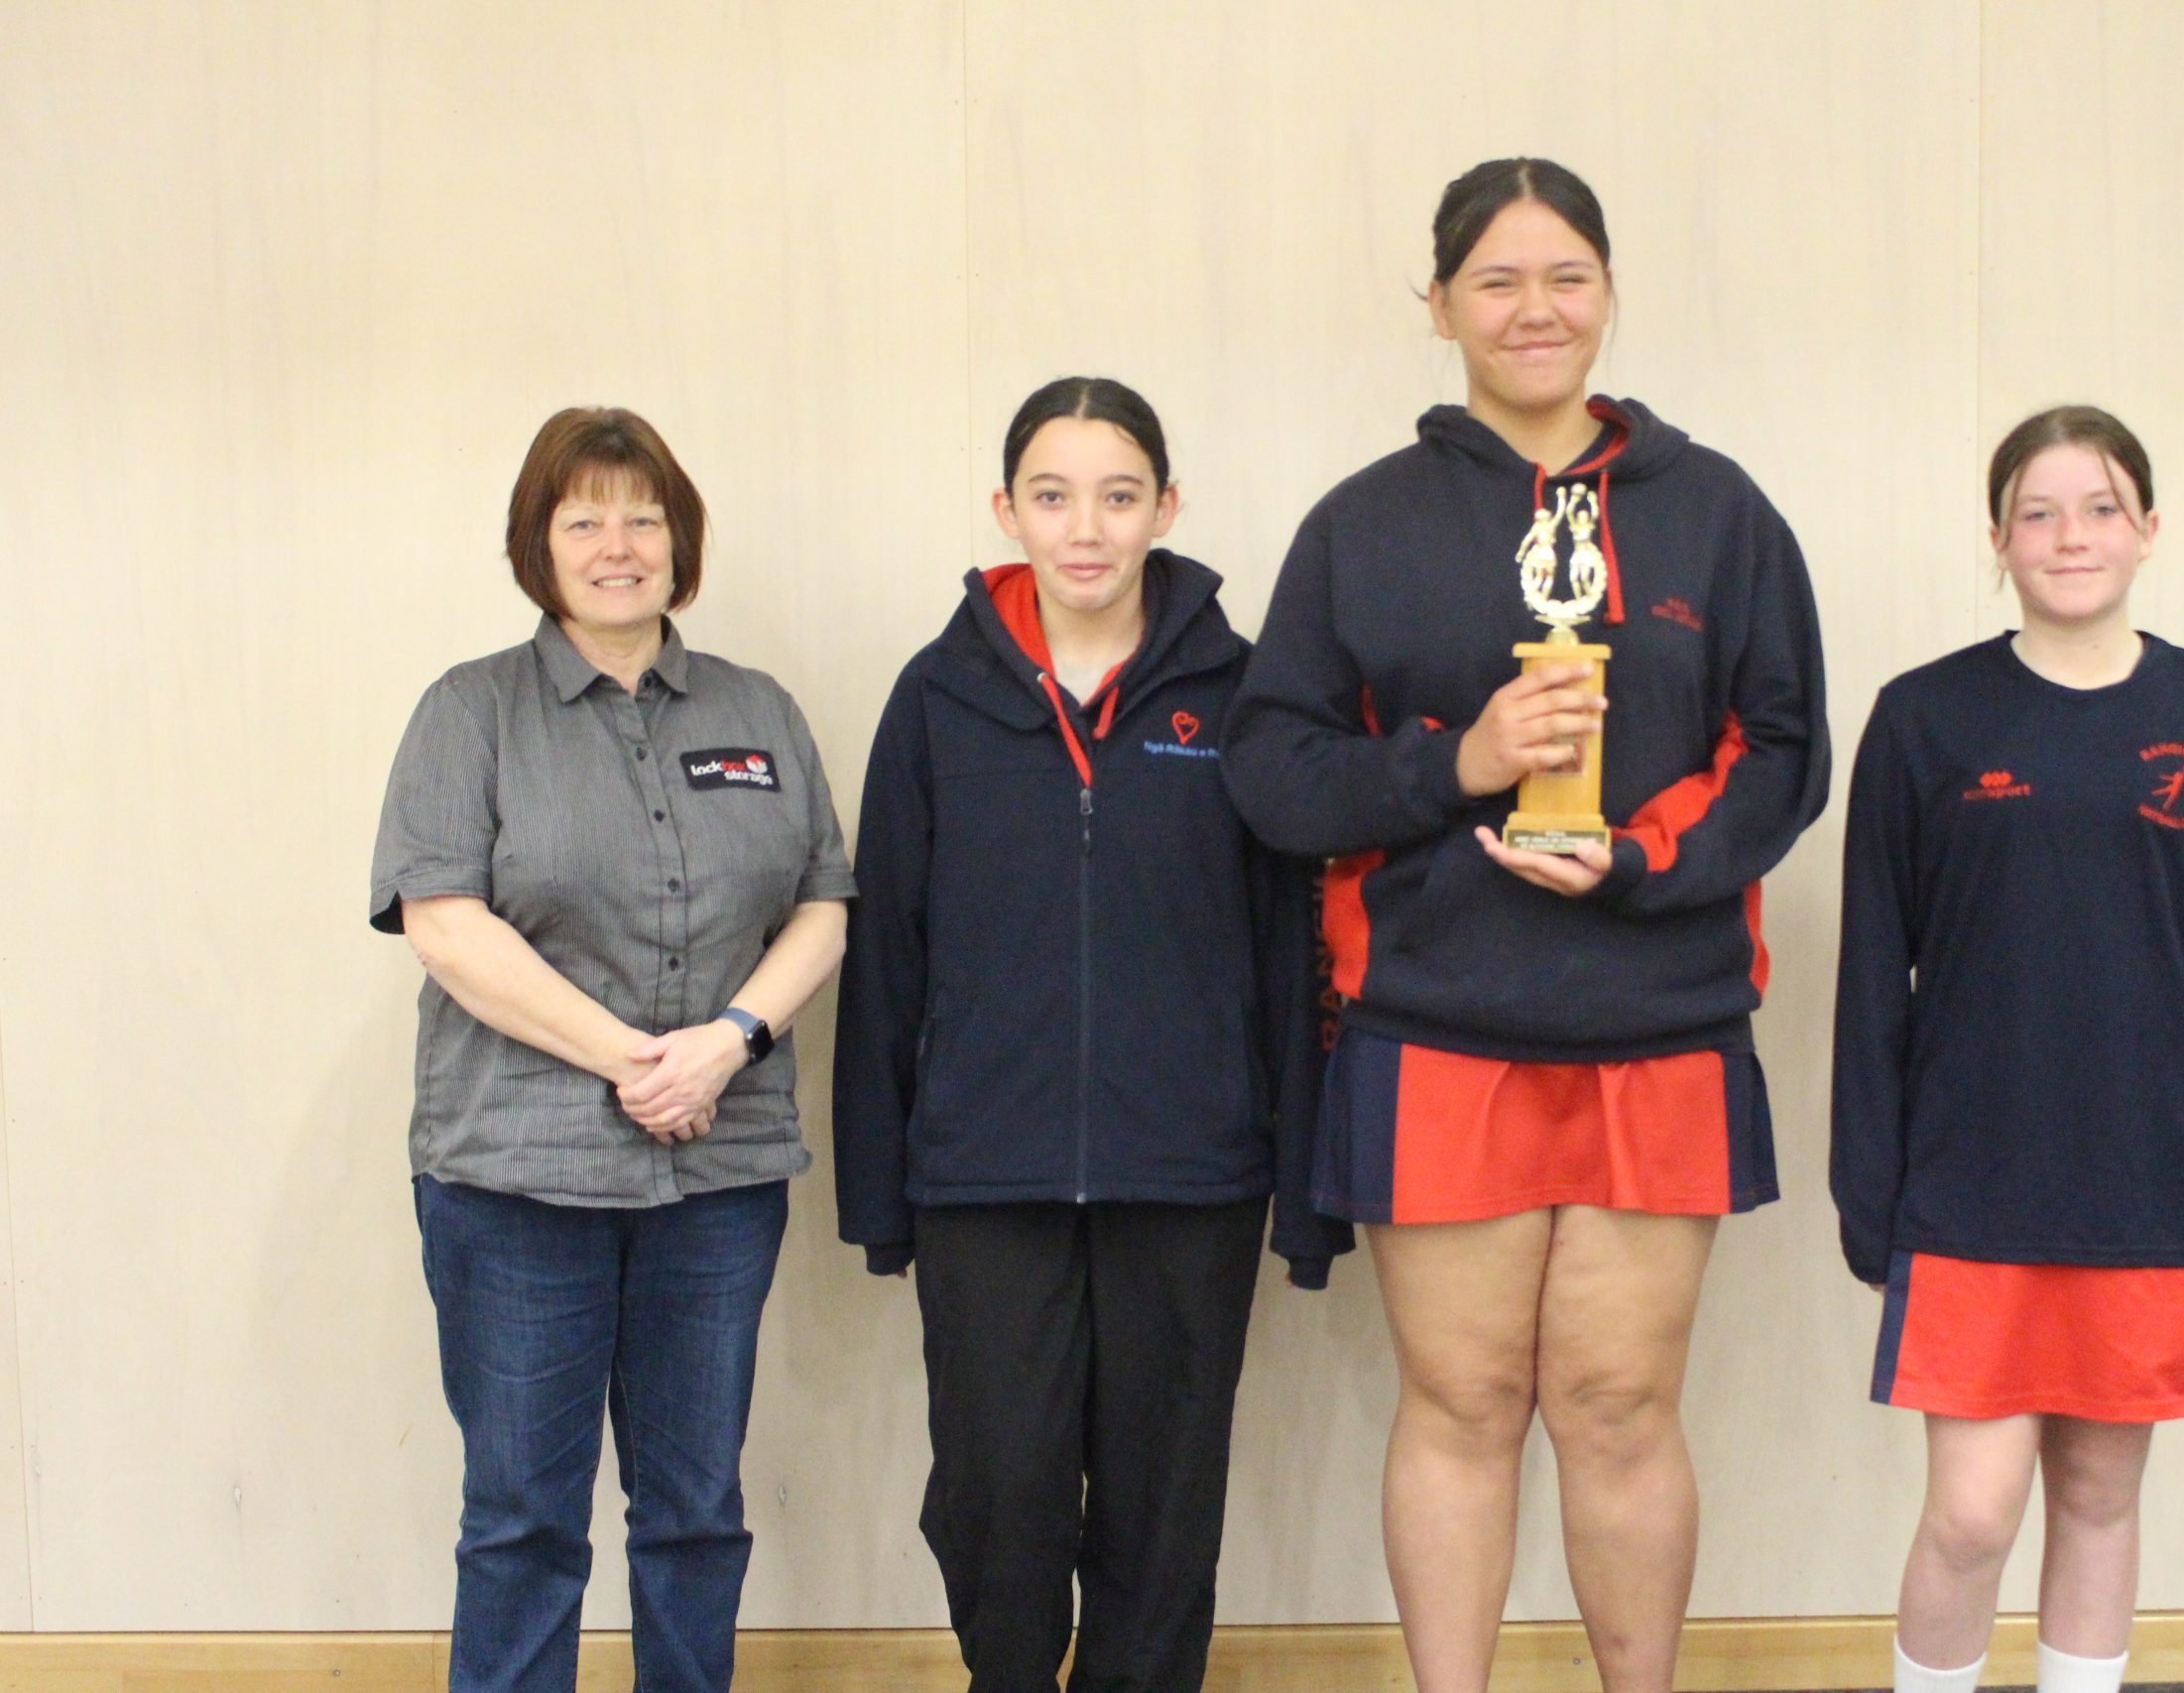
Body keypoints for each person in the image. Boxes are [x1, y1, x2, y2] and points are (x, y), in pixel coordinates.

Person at [1222, 159, 1830, 1693]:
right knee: (1465, 1402)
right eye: (1495, 280)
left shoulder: (1720, 513)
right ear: (1438, 307)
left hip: (1660, 1025)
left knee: (1620, 1407)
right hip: (1439, 1029)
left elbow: (1784, 752)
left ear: (1611, 291)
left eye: (1566, 276)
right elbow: (1277, 773)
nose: (1534, 309)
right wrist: (1460, 766)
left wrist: (1636, 860)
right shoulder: (1363, 525)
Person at [833, 376, 1347, 1693]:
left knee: (1163, 1512)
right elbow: (886, 953)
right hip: (983, 1177)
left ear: (1165, 509)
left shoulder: (1241, 696)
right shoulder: (939, 697)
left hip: (1192, 1177)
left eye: (1118, 497)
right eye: (1053, 496)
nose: (1086, 529)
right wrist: (879, 1191)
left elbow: (1289, 953)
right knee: (997, 1494)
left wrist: (1305, 1193)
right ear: (1006, 510)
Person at [370, 407, 853, 1693]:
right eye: (582, 519)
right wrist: (641, 1061)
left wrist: (728, 1045)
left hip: (719, 1177)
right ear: (538, 544)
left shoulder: (756, 709)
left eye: (642, 518)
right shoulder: (470, 711)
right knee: (523, 1518)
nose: (617, 545)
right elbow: (443, 923)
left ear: (679, 539)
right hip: (516, 1182)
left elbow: (823, 904)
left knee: (696, 1510)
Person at [1830, 405, 2184, 1693]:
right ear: (1998, 541)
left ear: (2149, 528)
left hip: (2155, 1184)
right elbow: (1873, 982)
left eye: (2100, 508)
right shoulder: (1925, 720)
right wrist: (1869, 1194)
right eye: (2036, 513)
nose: (2070, 536)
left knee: (2098, 1497)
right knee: (1971, 1515)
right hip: (1973, 1187)